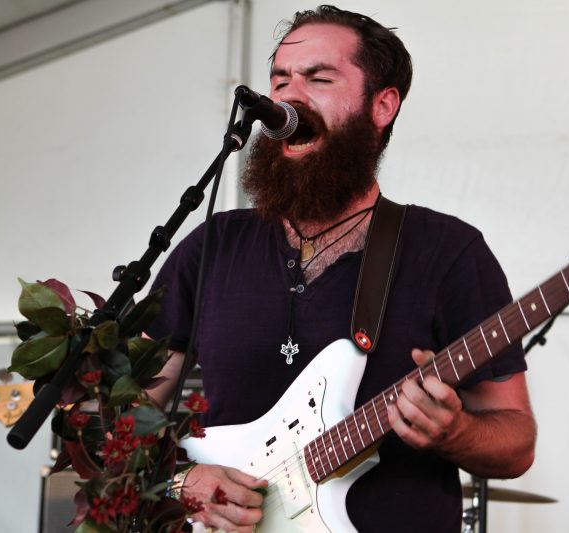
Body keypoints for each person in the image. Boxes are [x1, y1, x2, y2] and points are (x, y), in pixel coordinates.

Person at [146, 5, 537, 532]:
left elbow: (516, 442)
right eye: (280, 80)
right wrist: (181, 481)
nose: (288, 98)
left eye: (318, 79)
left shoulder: (448, 252)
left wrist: (457, 432)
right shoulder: (214, 245)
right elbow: (121, 418)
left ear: (382, 106)